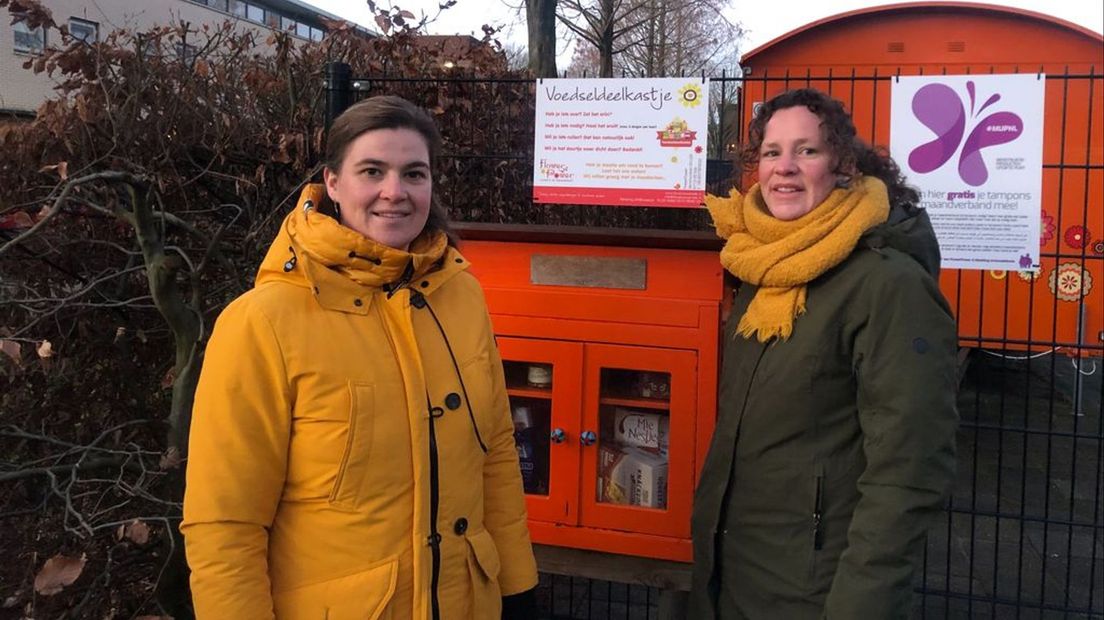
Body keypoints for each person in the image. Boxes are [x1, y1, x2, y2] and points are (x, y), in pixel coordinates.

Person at [182, 95, 538, 619]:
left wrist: (517, 585)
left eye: (414, 174)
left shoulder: (461, 296)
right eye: (372, 170)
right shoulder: (264, 322)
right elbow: (225, 521)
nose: (394, 192)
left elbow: (497, 452)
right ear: (332, 183)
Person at [690, 88, 959, 619]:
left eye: (806, 151)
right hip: (736, 571)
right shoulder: (759, 269)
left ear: (843, 166)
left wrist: (861, 604)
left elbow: (908, 469)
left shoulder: (887, 286)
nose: (784, 168)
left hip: (815, 590)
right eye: (771, 152)